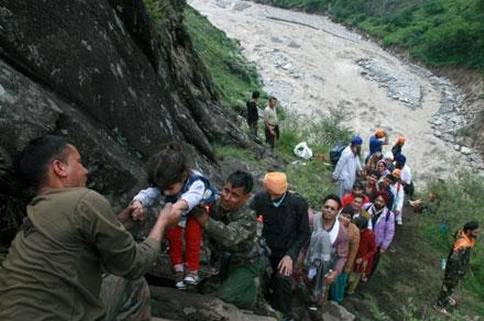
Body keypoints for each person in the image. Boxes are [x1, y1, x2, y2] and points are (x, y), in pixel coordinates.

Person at [0, 135, 180, 321]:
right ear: (59, 168)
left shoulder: (35, 213)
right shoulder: (84, 200)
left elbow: (77, 245)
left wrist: (121, 222)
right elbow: (134, 264)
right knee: (132, 282)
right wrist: (162, 223)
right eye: (79, 162)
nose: (86, 171)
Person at [131, 142, 217, 289]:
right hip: (177, 211)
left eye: (170, 189)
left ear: (183, 176)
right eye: (163, 189)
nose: (165, 193)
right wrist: (138, 202)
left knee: (193, 235)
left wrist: (174, 208)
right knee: (173, 235)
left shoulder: (196, 182)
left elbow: (192, 198)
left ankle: (192, 270)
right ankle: (178, 268)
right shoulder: (167, 182)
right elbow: (150, 193)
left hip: (197, 210)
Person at [192, 171, 266, 310]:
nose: (227, 197)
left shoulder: (248, 218)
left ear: (246, 198)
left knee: (224, 298)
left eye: (234, 195)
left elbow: (229, 237)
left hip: (246, 263)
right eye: (226, 190)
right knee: (203, 289)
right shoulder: (214, 201)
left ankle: (251, 293)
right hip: (223, 260)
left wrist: (204, 220)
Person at [251, 172, 310, 321]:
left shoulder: (298, 204)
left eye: (274, 193)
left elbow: (304, 233)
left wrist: (291, 255)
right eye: (269, 192)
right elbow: (248, 217)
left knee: (282, 278)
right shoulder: (261, 199)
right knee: (258, 272)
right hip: (267, 245)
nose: (271, 196)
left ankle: (286, 314)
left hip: (288, 248)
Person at [434, 221, 480, 317]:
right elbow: (454, 260)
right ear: (468, 231)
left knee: (450, 287)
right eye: (475, 232)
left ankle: (446, 297)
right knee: (448, 286)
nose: (477, 234)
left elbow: (456, 234)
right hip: (454, 271)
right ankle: (439, 305)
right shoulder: (462, 245)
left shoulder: (462, 233)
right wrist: (455, 273)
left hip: (458, 269)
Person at [330, 205, 359, 303]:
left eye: (348, 217)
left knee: (339, 283)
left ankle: (336, 301)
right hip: (329, 257)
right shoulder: (332, 223)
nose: (345, 219)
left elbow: (353, 251)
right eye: (343, 215)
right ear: (339, 214)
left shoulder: (354, 231)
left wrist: (347, 267)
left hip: (343, 260)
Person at [365, 192, 395, 275]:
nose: (378, 203)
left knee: (373, 260)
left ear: (385, 203)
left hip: (377, 243)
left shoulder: (389, 215)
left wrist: (384, 246)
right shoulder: (366, 207)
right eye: (377, 200)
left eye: (381, 201)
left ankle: (367, 275)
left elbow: (390, 232)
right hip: (364, 239)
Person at [347, 216, 376, 294]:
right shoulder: (352, 231)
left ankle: (350, 292)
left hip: (360, 260)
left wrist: (363, 258)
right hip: (351, 256)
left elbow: (373, 250)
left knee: (354, 278)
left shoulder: (370, 235)